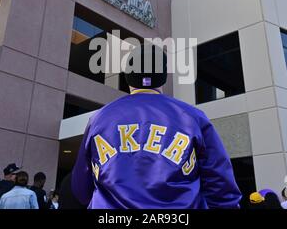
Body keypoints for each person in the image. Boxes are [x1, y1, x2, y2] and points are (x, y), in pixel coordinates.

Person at [71, 43, 241, 209]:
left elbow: (81, 189)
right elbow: (222, 190)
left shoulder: (99, 119)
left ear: (128, 76)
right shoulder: (193, 117)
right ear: (163, 76)